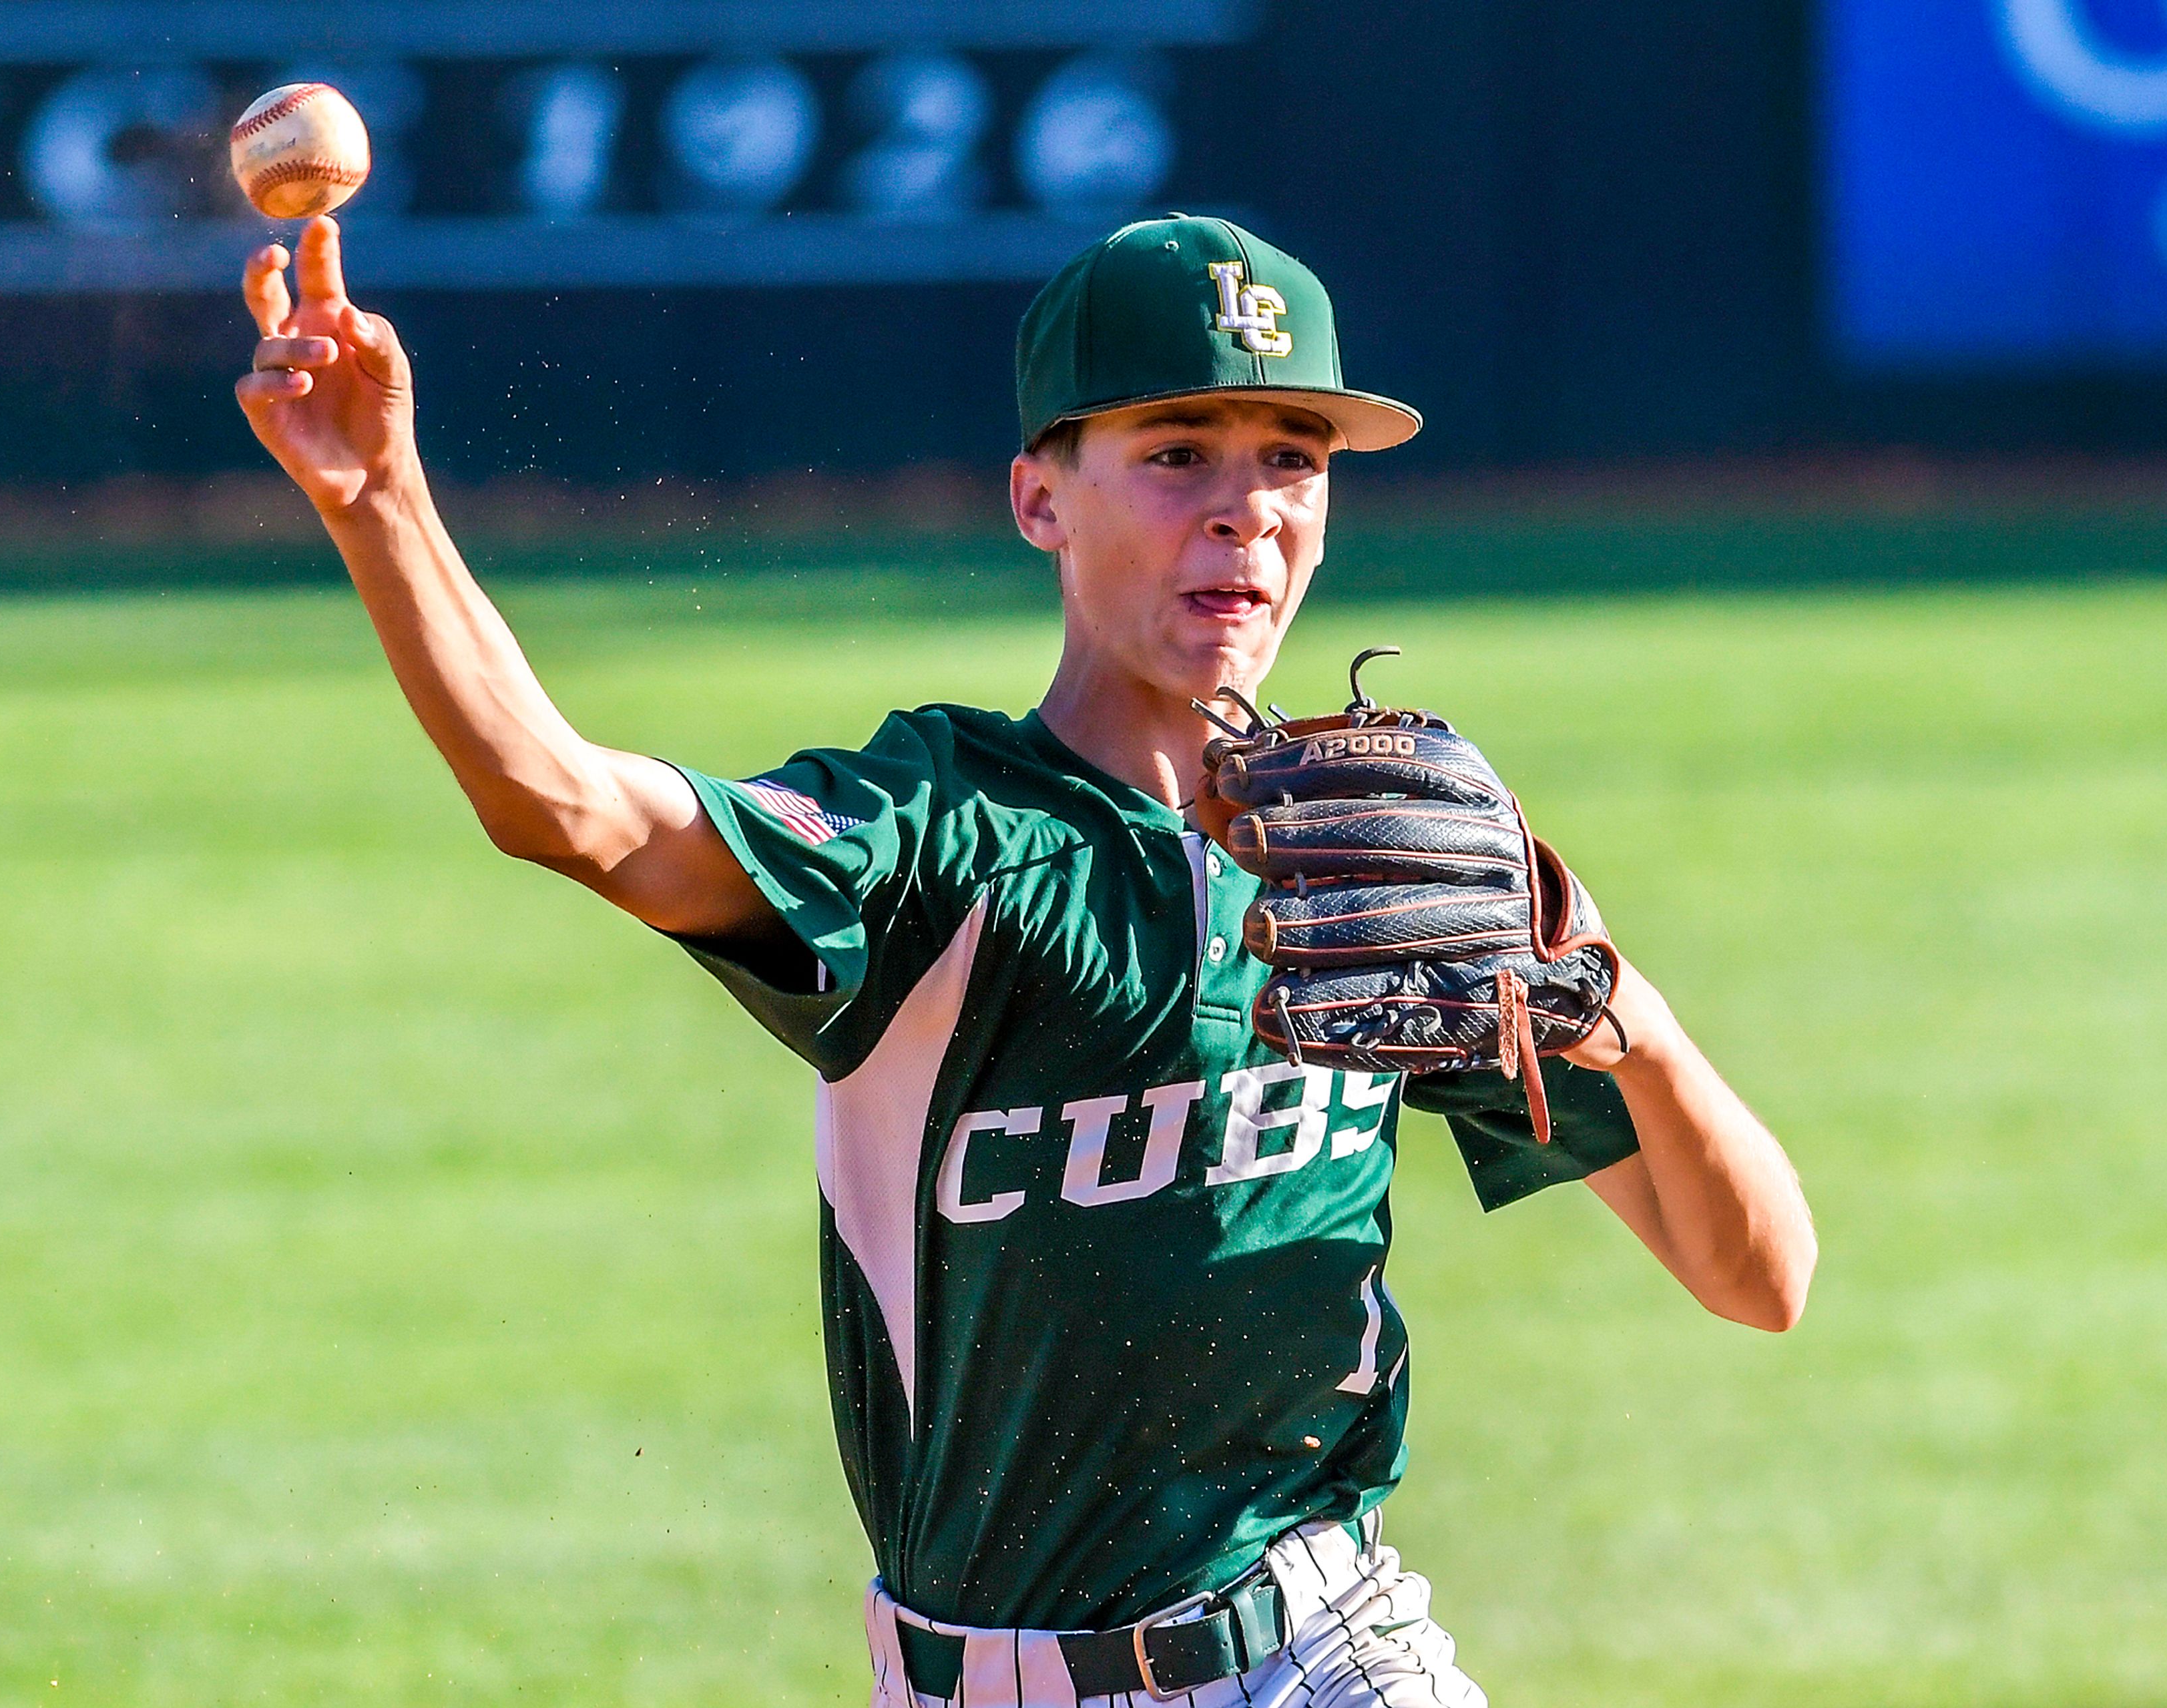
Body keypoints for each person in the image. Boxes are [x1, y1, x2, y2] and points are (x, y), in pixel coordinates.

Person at [236, 211, 1816, 1707]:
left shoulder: (1389, 858)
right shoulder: (940, 837)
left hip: (1318, 1653)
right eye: (1176, 452)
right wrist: (381, 497)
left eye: (1293, 460)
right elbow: (564, 804)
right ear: (1039, 497)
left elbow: (1760, 1277)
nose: (1243, 508)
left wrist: (1617, 1015)